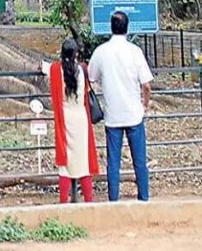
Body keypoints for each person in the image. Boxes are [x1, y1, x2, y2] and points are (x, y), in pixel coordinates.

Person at [88, 11, 153, 202]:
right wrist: (145, 105)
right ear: (127, 28)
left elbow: (91, 77)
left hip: (113, 114)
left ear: (111, 27)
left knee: (113, 162)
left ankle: (113, 199)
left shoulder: (101, 52)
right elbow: (146, 84)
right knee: (140, 160)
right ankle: (143, 197)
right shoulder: (135, 51)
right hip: (134, 113)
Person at [49, 38, 99, 203]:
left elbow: (46, 67)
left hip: (65, 117)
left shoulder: (56, 70)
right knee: (83, 160)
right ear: (76, 53)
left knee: (65, 164)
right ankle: (89, 201)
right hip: (81, 117)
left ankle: (63, 201)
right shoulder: (82, 70)